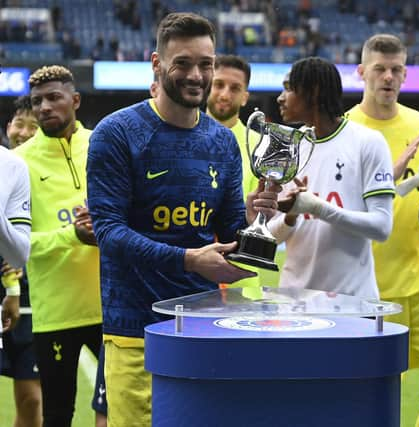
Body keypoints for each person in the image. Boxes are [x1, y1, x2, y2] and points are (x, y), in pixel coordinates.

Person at [86, 12, 280, 426]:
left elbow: (228, 230)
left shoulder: (223, 142)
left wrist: (255, 224)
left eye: (205, 64)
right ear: (157, 64)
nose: (196, 75)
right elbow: (109, 232)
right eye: (183, 63)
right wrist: (189, 260)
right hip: (135, 330)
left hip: (203, 327)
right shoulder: (116, 133)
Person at [346, 33, 419, 426]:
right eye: (380, 69)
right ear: (361, 72)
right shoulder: (344, 128)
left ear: (405, 74)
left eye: (396, 69)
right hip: (362, 292)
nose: (388, 77)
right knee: (365, 394)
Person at [14, 65, 104, 427]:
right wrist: (72, 235)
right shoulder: (18, 163)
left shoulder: (103, 144)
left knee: (121, 410)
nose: (44, 107)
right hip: (55, 313)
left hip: (110, 305)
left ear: (76, 100)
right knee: (56, 415)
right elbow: (16, 244)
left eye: (54, 98)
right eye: (37, 101)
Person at [270, 56, 395, 298]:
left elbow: (382, 227)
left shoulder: (368, 142)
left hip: (352, 306)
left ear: (313, 92)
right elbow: (271, 238)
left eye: (288, 88)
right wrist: (290, 217)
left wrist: (318, 208)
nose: (280, 97)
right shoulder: (288, 148)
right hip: (294, 306)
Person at [1, 95, 41, 427]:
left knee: (31, 399)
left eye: (35, 126)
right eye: (19, 123)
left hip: (34, 296)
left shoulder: (36, 172)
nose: (25, 132)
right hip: (8, 289)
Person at [206, 54, 261, 288]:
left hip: (241, 286)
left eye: (235, 88)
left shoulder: (260, 147)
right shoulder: (178, 138)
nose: (225, 94)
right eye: (218, 84)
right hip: (188, 281)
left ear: (245, 97)